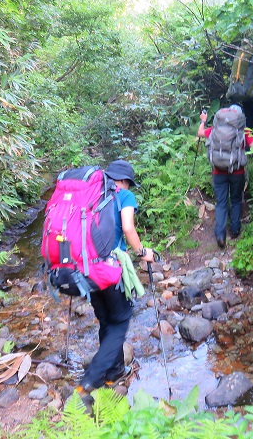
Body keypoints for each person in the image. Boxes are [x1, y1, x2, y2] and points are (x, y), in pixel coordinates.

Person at [76, 160, 154, 400]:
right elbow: (128, 229)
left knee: (106, 321)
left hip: (85, 268)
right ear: (124, 181)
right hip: (110, 269)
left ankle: (115, 372)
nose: (128, 186)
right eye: (128, 182)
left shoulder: (89, 194)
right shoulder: (125, 195)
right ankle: (91, 380)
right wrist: (143, 252)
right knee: (120, 323)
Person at [197, 106, 253, 248]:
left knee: (221, 203)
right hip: (237, 172)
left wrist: (203, 121)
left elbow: (199, 133)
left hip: (218, 172)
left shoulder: (215, 129)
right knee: (235, 200)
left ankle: (220, 235)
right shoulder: (244, 131)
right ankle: (235, 230)